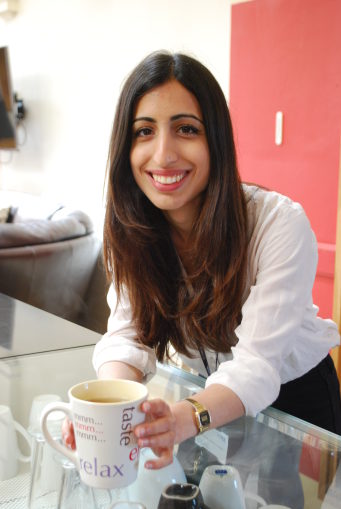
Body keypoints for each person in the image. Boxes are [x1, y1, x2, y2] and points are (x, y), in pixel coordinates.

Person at [63, 51, 341, 469]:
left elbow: (258, 365)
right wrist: (114, 409)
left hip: (294, 399)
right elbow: (127, 335)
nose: (163, 155)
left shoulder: (278, 223)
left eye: (186, 129)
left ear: (217, 140)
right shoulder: (131, 227)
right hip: (203, 396)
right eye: (143, 132)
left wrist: (186, 417)